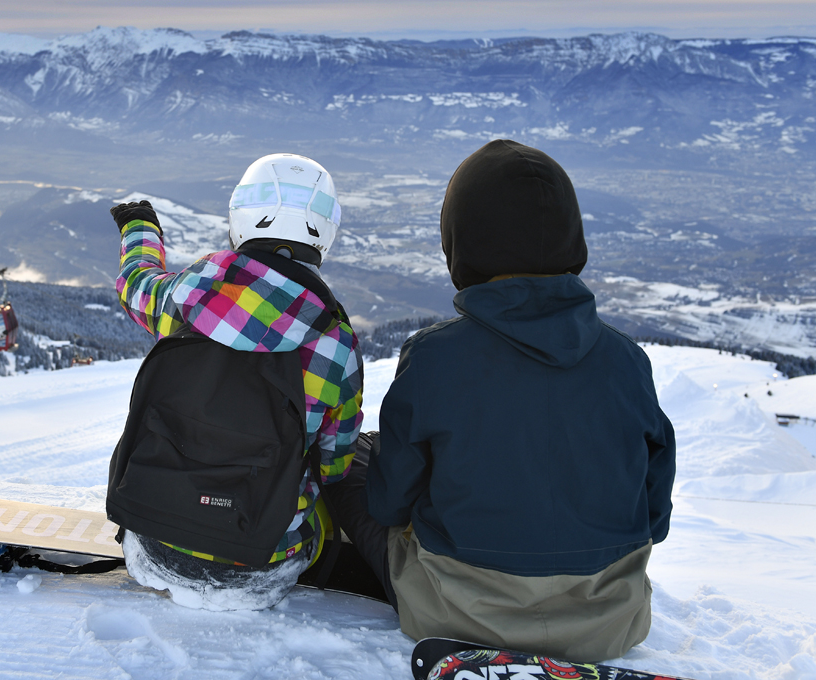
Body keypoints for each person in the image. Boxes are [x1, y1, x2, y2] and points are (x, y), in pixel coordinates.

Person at [327, 139, 675, 662]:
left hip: (459, 613)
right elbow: (655, 517)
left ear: (460, 242)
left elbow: (388, 504)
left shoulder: (434, 359)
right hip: (608, 621)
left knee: (352, 459)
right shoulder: (627, 362)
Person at [107, 153, 363, 610]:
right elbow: (334, 465)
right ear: (325, 230)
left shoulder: (189, 295)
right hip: (260, 568)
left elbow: (136, 284)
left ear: (241, 214)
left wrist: (139, 226)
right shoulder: (333, 343)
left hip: (150, 544)